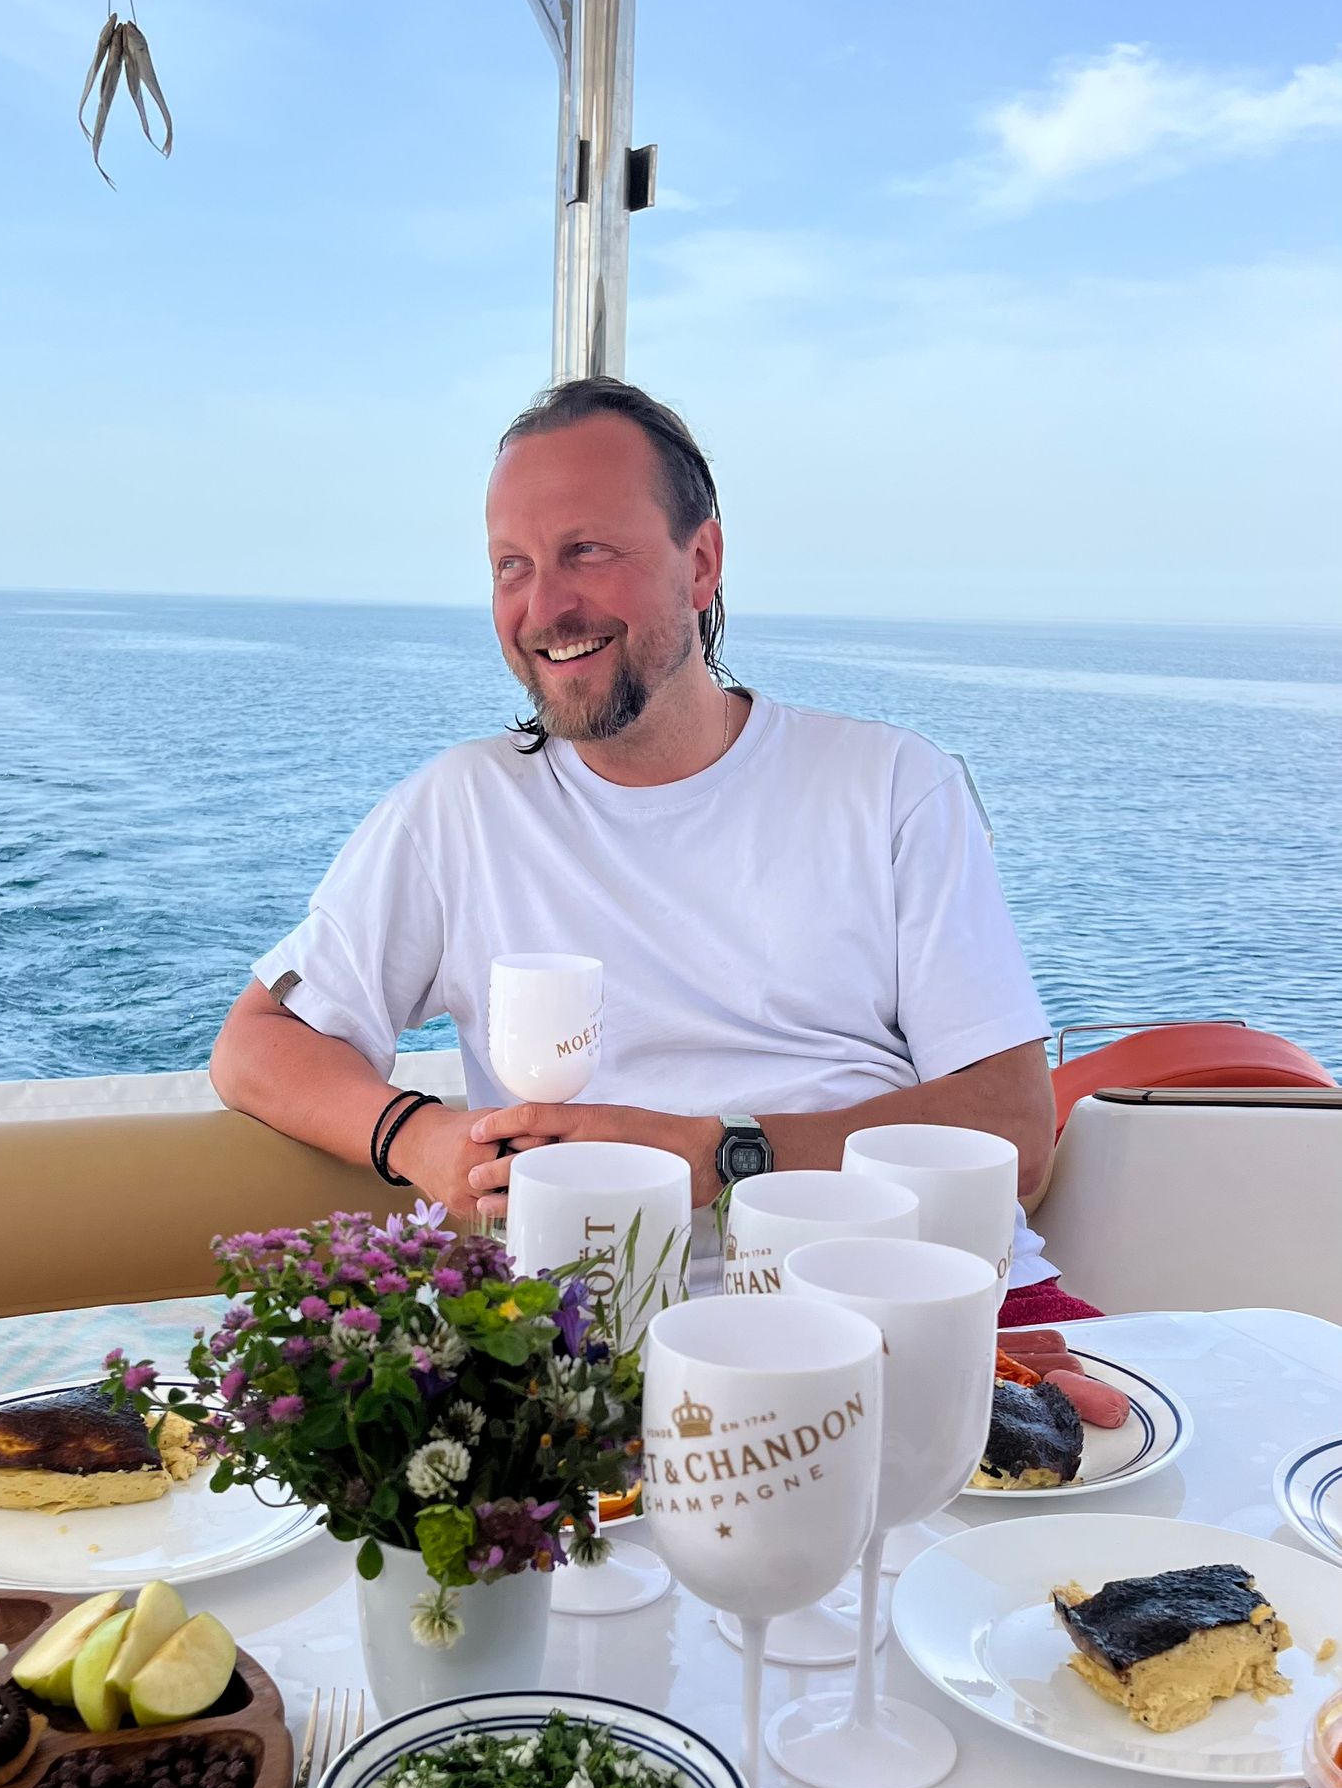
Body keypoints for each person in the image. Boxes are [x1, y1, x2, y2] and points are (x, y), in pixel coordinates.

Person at [212, 378, 1091, 1321]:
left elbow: (1012, 1128)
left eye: (586, 551)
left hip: (923, 1303)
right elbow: (257, 1044)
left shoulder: (891, 785)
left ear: (700, 563)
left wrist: (723, 1153)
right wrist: (421, 1139)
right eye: (512, 566)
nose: (544, 605)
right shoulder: (457, 811)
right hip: (600, 1334)